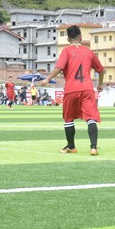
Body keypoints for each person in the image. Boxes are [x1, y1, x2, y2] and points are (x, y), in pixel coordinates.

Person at [42, 25, 104, 155]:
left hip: (71, 89)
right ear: (81, 37)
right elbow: (101, 70)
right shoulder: (89, 52)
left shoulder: (66, 51)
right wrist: (100, 85)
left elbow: (59, 68)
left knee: (68, 118)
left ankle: (71, 146)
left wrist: (47, 79)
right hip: (87, 89)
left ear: (68, 39)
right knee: (91, 118)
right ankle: (93, 147)